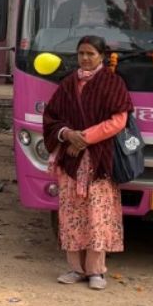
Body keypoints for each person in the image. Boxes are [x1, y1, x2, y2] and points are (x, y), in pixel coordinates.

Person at [41, 35, 132, 290]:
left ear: (102, 56)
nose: (85, 58)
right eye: (81, 53)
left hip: (99, 160)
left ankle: (96, 271)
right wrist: (67, 135)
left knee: (97, 215)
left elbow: (118, 121)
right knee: (71, 215)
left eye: (91, 53)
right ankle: (75, 269)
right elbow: (51, 117)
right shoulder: (68, 83)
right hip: (70, 161)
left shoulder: (112, 83)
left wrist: (85, 138)